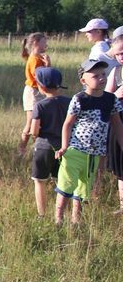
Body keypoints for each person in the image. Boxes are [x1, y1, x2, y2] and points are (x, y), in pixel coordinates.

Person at [54, 59, 123, 225]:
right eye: (95, 76)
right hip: (75, 150)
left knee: (84, 190)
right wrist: (64, 146)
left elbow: (117, 124)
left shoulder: (111, 99)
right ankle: (58, 219)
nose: (101, 78)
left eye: (103, 75)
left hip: (95, 154)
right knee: (66, 187)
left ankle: (76, 221)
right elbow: (68, 124)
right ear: (83, 80)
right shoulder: (79, 99)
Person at [29, 67, 70, 218]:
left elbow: (34, 131)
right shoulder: (70, 102)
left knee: (40, 181)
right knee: (63, 182)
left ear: (41, 87)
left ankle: (42, 214)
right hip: (66, 148)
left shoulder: (40, 105)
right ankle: (62, 214)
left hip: (44, 147)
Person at [19, 32, 50, 155]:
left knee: (37, 122)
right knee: (32, 122)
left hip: (37, 91)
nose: (46, 44)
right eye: (44, 42)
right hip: (33, 92)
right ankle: (22, 150)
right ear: (36, 43)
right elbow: (41, 78)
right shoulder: (35, 60)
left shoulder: (38, 58)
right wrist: (48, 65)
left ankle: (36, 148)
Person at [105, 30, 123, 213]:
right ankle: (122, 206)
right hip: (119, 124)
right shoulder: (115, 72)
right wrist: (116, 95)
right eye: (118, 54)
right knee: (120, 167)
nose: (121, 57)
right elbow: (106, 98)